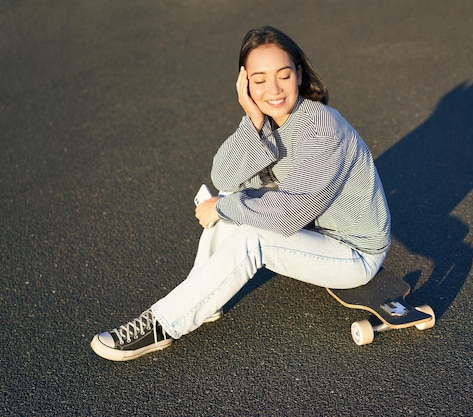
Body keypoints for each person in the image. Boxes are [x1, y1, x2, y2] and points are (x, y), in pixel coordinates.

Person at [90, 26, 391, 361]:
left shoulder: (320, 129)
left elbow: (288, 214)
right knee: (231, 193)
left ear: (299, 75)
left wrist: (223, 208)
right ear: (245, 83)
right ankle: (202, 297)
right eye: (259, 80)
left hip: (354, 252)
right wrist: (252, 118)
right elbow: (224, 175)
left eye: (283, 75)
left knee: (250, 235)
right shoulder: (269, 119)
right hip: (315, 231)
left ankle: (163, 324)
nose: (273, 90)